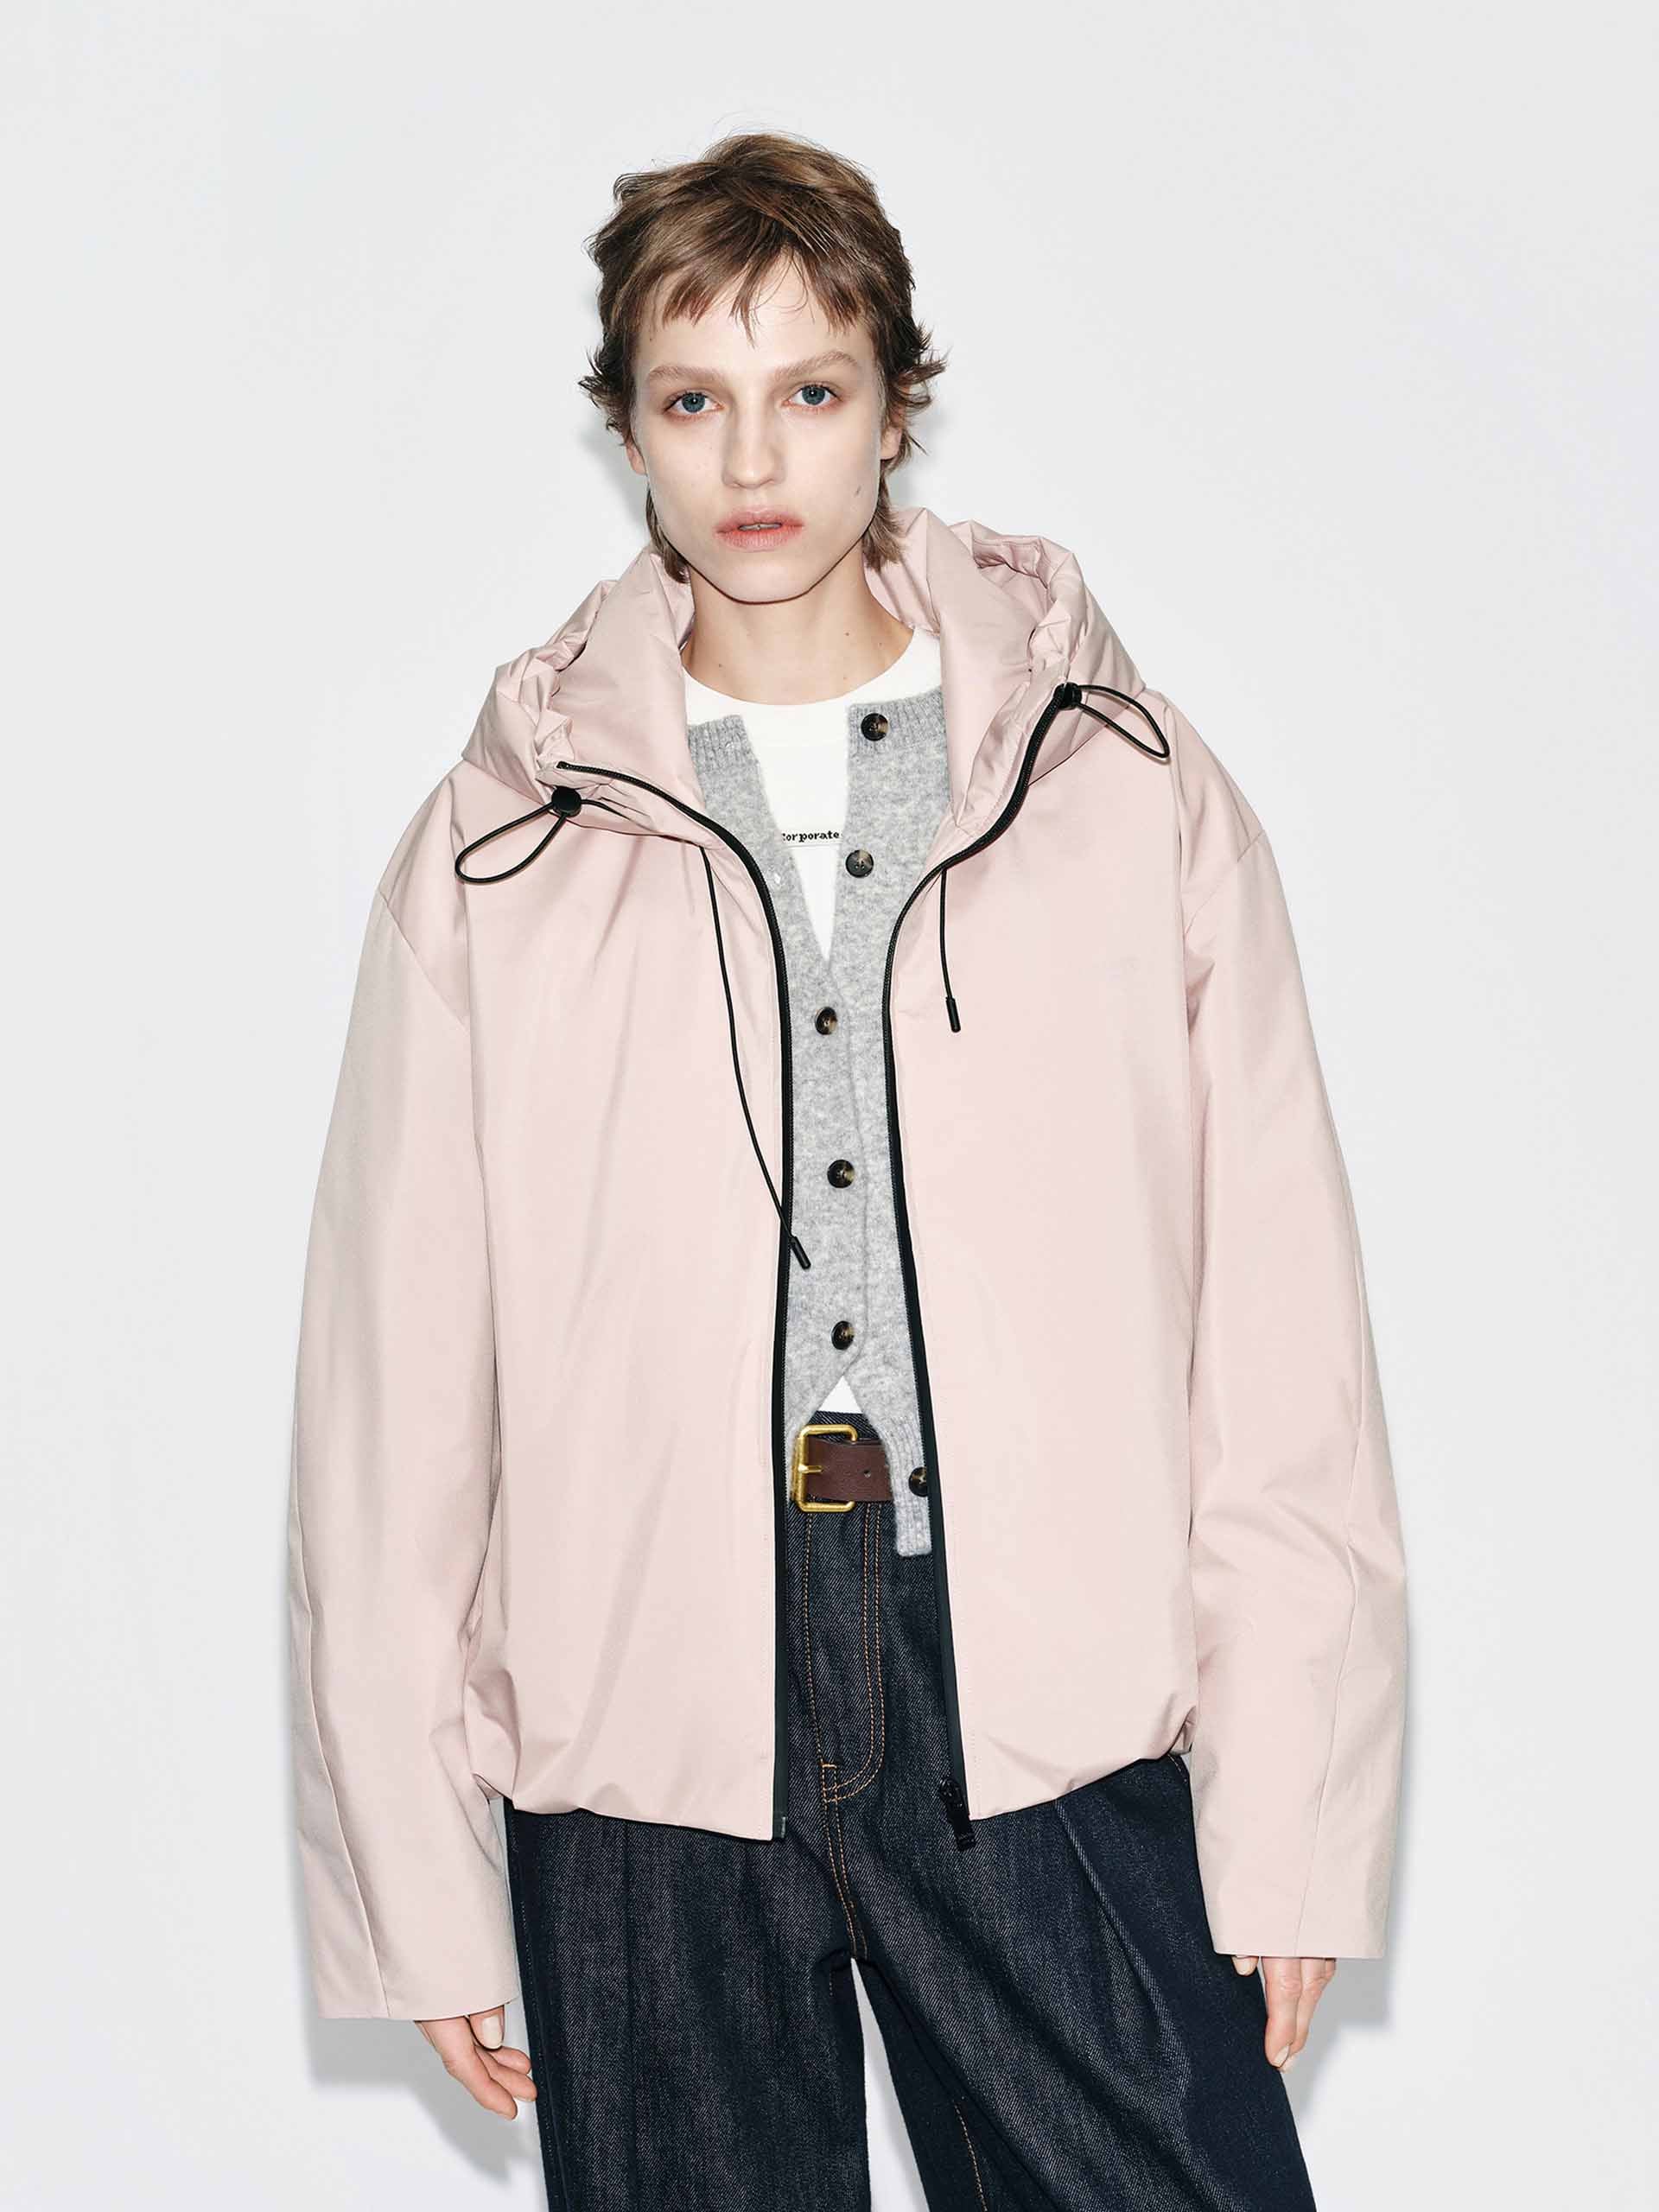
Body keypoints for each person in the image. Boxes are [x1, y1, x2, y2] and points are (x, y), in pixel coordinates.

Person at [286, 127, 1408, 2209]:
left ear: (898, 402)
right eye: (692, 398)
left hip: (1034, 1678)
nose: (753, 457)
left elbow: (1281, 1338)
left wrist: (1295, 1807)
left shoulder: (1121, 788)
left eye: (809, 387)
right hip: (645, 1712)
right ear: (626, 424)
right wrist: (414, 1871)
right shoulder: (506, 845)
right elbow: (393, 1400)